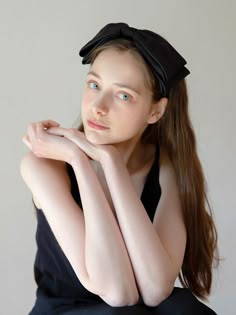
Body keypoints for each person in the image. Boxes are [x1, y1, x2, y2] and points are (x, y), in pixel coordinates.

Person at [20, 22, 219, 314]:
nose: (98, 106)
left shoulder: (166, 169)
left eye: (123, 95)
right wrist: (80, 162)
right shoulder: (44, 165)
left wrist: (111, 164)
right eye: (94, 85)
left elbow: (155, 289)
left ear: (156, 111)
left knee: (184, 308)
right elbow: (118, 293)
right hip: (66, 310)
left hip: (132, 308)